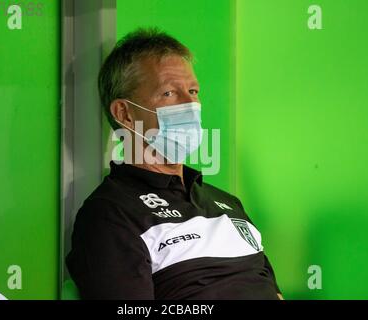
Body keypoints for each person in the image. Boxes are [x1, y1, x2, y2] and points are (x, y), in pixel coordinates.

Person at [66, 28, 282, 300]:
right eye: (169, 93)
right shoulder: (111, 214)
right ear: (125, 113)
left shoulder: (227, 202)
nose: (190, 103)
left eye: (193, 91)